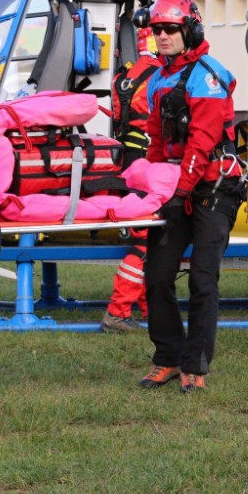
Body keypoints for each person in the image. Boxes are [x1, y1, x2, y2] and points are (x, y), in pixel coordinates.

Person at [139, 0, 246, 392]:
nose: (162, 36)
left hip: (213, 189)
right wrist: (151, 186)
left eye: (170, 29)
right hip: (177, 187)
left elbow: (201, 144)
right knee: (157, 274)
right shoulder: (159, 79)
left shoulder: (209, 76)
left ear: (189, 29)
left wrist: (179, 195)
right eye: (156, 30)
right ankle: (167, 355)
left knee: (203, 279)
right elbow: (155, 140)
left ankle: (194, 364)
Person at [101, 19, 160, 333]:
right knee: (147, 243)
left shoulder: (124, 78)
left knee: (151, 241)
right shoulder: (161, 76)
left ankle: (151, 311)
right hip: (149, 166)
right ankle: (117, 311)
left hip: (129, 165)